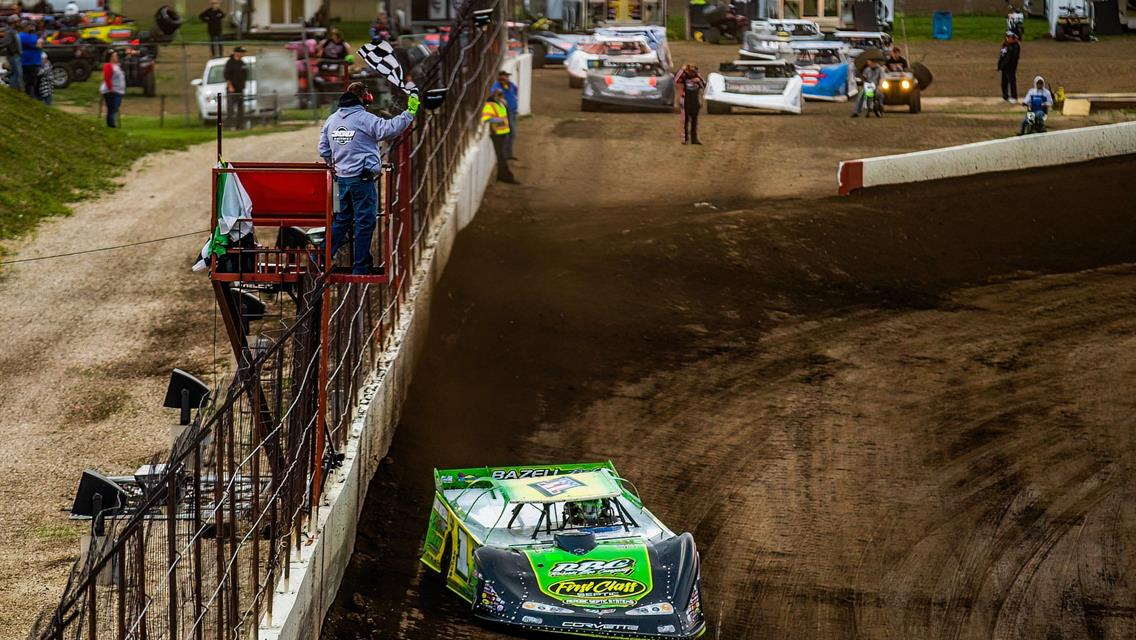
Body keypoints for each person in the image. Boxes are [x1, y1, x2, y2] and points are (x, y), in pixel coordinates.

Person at [318, 82, 417, 275]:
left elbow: (323, 149)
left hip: (339, 181)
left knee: (341, 220)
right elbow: (389, 129)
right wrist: (410, 112)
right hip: (362, 181)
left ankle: (320, 257)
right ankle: (361, 266)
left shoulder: (332, 119)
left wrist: (334, 164)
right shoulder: (364, 118)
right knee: (365, 222)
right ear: (365, 98)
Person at [481, 89, 517, 183]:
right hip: (497, 135)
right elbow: (485, 118)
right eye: (500, 95)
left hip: (503, 133)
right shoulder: (490, 105)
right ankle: (506, 177)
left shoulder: (500, 104)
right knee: (502, 157)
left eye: (502, 95)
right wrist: (499, 120)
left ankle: (501, 176)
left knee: (502, 156)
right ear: (494, 95)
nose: (502, 97)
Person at [489, 69, 519, 160]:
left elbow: (515, 91)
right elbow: (494, 94)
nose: (506, 78)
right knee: (509, 133)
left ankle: (508, 153)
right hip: (506, 113)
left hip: (513, 111)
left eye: (506, 76)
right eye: (504, 76)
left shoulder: (510, 85)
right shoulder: (497, 86)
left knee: (511, 134)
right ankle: (506, 154)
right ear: (500, 77)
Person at [674, 63, 705, 144]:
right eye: (691, 72)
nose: (692, 74)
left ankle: (694, 139)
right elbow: (678, 86)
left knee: (694, 120)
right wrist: (679, 100)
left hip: (695, 100)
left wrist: (700, 101)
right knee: (685, 120)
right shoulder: (682, 75)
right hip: (685, 99)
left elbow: (703, 87)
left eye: (693, 72)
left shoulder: (697, 76)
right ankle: (684, 139)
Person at [223, 45, 247, 129]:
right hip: (232, 90)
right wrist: (230, 86)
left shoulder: (242, 63)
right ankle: (229, 125)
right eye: (241, 52)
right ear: (236, 53)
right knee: (231, 109)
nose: (243, 54)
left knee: (240, 108)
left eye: (243, 52)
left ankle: (240, 125)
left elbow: (245, 75)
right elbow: (226, 76)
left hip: (240, 89)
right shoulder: (230, 63)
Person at [99, 48, 124, 126]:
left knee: (114, 108)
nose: (117, 57)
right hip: (112, 91)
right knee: (112, 108)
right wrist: (110, 88)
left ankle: (111, 123)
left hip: (118, 90)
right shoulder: (108, 66)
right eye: (114, 56)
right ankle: (111, 124)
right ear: (110, 58)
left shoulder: (117, 66)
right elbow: (107, 78)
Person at [17, 21, 42, 98]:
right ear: (24, 27)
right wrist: (39, 41)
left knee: (34, 82)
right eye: (30, 26)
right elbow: (38, 45)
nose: (32, 27)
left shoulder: (34, 36)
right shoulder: (22, 36)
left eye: (33, 26)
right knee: (28, 83)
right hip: (27, 63)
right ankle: (28, 97)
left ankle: (33, 97)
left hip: (35, 62)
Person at [997, 31, 1020, 103]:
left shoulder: (1015, 46)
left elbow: (1013, 58)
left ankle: (1014, 96)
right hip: (1004, 66)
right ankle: (1005, 96)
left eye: (1008, 37)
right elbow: (1002, 55)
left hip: (1011, 67)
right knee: (1004, 81)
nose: (1007, 38)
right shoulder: (1005, 45)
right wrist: (1000, 65)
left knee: (1012, 81)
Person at [2, 16, 23, 91]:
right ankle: (13, 90)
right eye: (18, 21)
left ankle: (15, 90)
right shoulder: (10, 32)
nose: (19, 23)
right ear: (14, 22)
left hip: (16, 55)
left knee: (17, 74)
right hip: (13, 55)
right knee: (16, 74)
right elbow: (5, 42)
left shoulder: (14, 31)